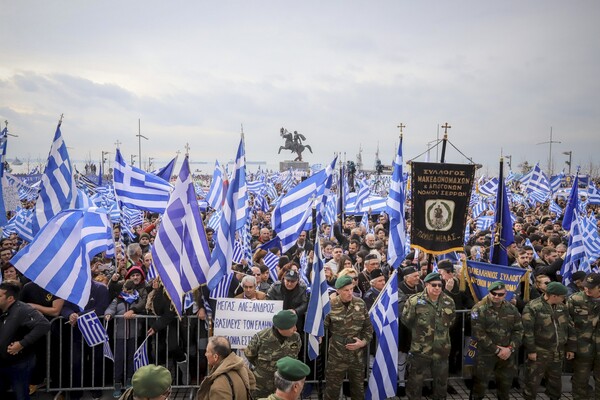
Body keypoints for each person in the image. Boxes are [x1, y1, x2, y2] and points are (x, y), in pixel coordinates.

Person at [401, 272, 456, 400]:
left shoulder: (448, 301)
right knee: (415, 384)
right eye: (434, 285)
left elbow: (451, 321)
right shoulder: (414, 301)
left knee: (441, 385)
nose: (437, 288)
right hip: (420, 350)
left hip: (441, 350)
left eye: (440, 285)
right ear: (426, 285)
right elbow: (406, 320)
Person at [470, 281, 524, 400]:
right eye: (493, 293)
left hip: (507, 355)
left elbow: (519, 330)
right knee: (479, 388)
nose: (496, 296)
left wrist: (510, 349)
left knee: (505, 388)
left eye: (500, 294)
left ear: (505, 294)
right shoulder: (479, 308)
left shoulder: (511, 309)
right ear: (489, 292)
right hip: (486, 355)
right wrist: (497, 350)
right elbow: (479, 333)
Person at [521, 282, 575, 400]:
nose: (564, 299)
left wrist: (571, 348)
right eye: (562, 296)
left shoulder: (562, 307)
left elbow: (570, 327)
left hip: (557, 353)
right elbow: (527, 331)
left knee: (555, 384)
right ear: (554, 296)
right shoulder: (533, 307)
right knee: (532, 383)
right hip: (539, 352)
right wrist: (531, 350)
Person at [323, 275, 373, 400]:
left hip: (356, 355)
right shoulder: (330, 305)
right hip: (336, 354)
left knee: (358, 390)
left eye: (351, 289)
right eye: (346, 290)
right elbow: (321, 328)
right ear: (338, 291)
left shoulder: (360, 304)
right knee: (332, 391)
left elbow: (368, 328)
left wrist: (363, 343)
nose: (350, 292)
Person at [0, 280, 51, 400]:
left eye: (0, 295)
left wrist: (22, 344)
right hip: (2, 362)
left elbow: (44, 324)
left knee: (21, 395)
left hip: (19, 364)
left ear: (10, 298)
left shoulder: (23, 310)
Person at [245, 310, 302, 398]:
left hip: (284, 387)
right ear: (281, 328)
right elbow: (249, 355)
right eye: (292, 326)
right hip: (262, 386)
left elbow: (295, 356)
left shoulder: (296, 338)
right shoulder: (261, 338)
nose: (295, 329)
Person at [567, 272, 600, 400]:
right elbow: (568, 324)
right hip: (582, 349)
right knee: (580, 382)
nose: (586, 289)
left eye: (591, 287)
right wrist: (571, 347)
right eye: (585, 286)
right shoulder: (575, 300)